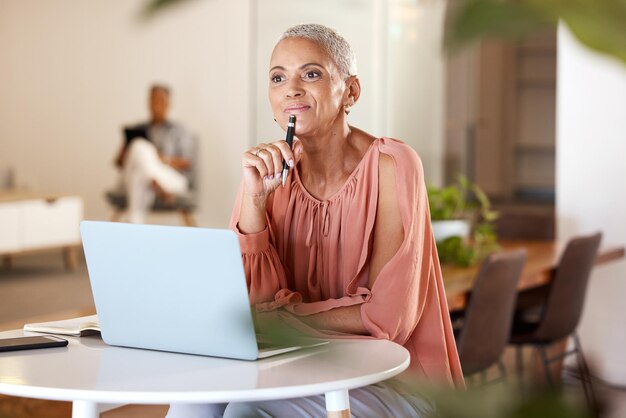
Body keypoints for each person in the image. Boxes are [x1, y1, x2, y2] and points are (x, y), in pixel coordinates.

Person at [166, 24, 463, 418]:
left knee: (243, 409)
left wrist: (284, 317)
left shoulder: (392, 165)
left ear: (351, 91)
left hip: (393, 376)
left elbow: (387, 318)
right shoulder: (264, 173)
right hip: (292, 364)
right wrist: (255, 201)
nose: (291, 89)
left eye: (311, 73)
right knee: (193, 399)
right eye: (277, 77)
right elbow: (251, 309)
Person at [113, 84, 195, 224]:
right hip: (154, 182)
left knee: (138, 175)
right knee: (139, 147)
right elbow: (118, 163)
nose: (155, 104)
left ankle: (135, 227)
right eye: (152, 100)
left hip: (170, 178)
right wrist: (126, 150)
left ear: (168, 103)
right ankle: (154, 180)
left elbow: (187, 162)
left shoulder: (178, 130)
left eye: (160, 100)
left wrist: (161, 159)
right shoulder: (138, 129)